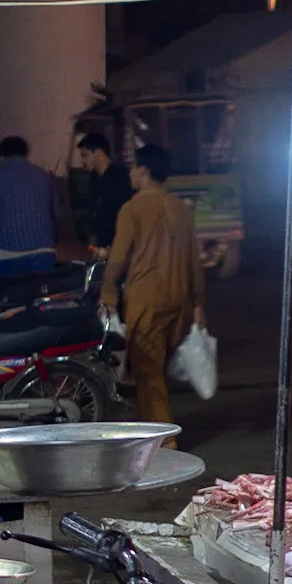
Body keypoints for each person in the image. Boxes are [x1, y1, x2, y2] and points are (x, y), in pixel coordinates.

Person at [99, 144, 204, 429]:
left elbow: (119, 256)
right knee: (155, 371)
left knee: (148, 372)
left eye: (133, 168)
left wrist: (108, 292)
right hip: (179, 298)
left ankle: (164, 436)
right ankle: (151, 428)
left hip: (146, 299)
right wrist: (198, 304)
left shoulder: (132, 209)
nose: (130, 173)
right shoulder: (181, 208)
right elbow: (193, 258)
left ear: (143, 171)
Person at [0, 135, 63, 276]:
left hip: (7, 253)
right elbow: (56, 215)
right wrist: (52, 240)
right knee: (41, 295)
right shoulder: (44, 177)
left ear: (1, 156)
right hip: (43, 252)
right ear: (26, 154)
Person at [76, 131, 134, 255]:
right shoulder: (94, 178)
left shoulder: (119, 177)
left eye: (85, 155)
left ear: (99, 153)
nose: (83, 162)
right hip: (103, 241)